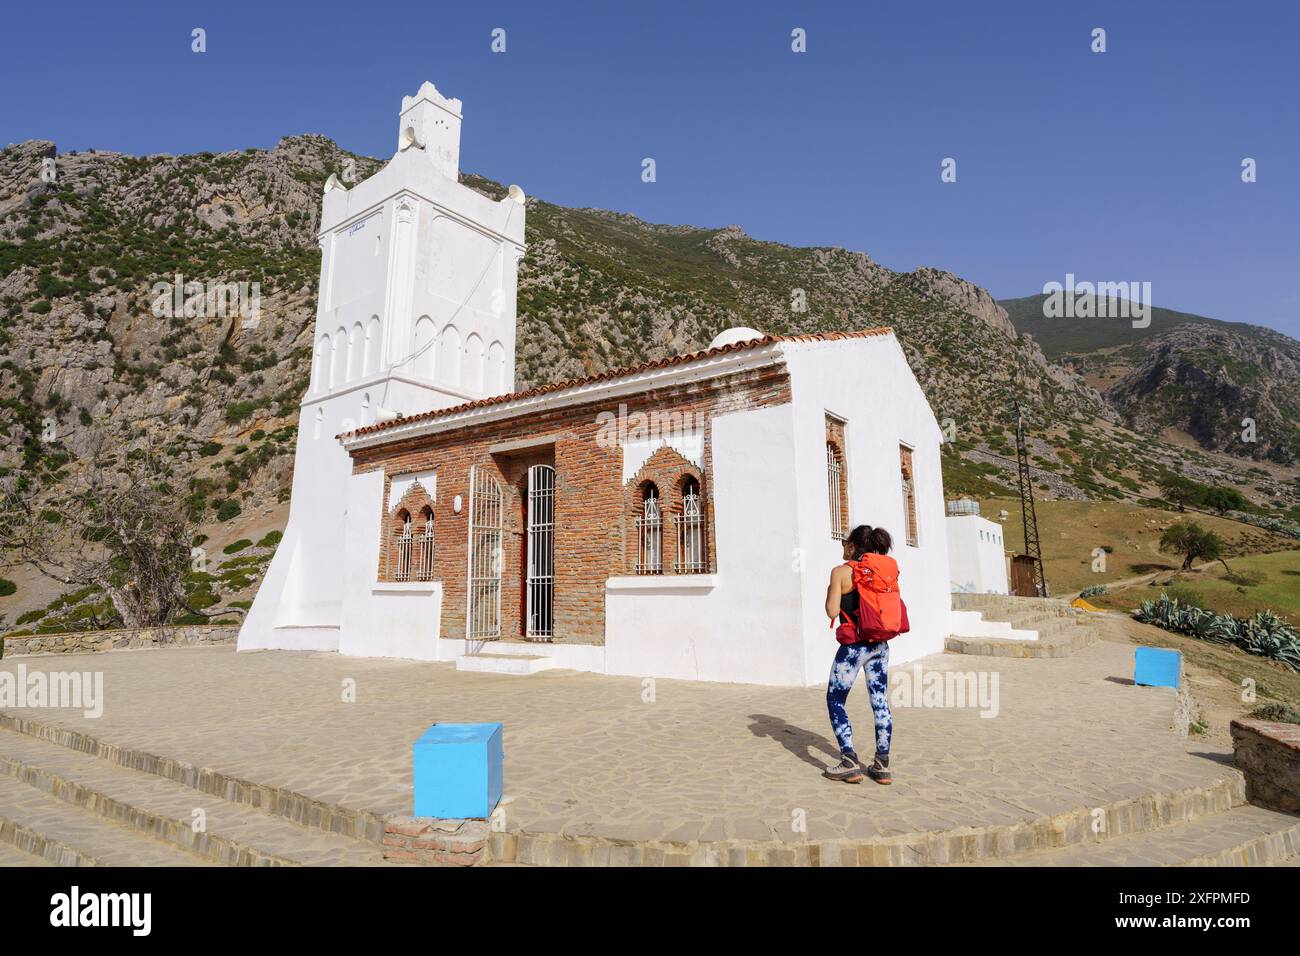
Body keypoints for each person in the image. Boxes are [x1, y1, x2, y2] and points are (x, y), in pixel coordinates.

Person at [823, 525, 895, 785]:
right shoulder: (881, 571)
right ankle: (882, 763)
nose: (842, 546)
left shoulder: (841, 572)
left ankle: (849, 761)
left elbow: (832, 612)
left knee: (836, 699)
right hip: (880, 645)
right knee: (880, 702)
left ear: (852, 546)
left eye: (845, 542)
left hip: (854, 648)